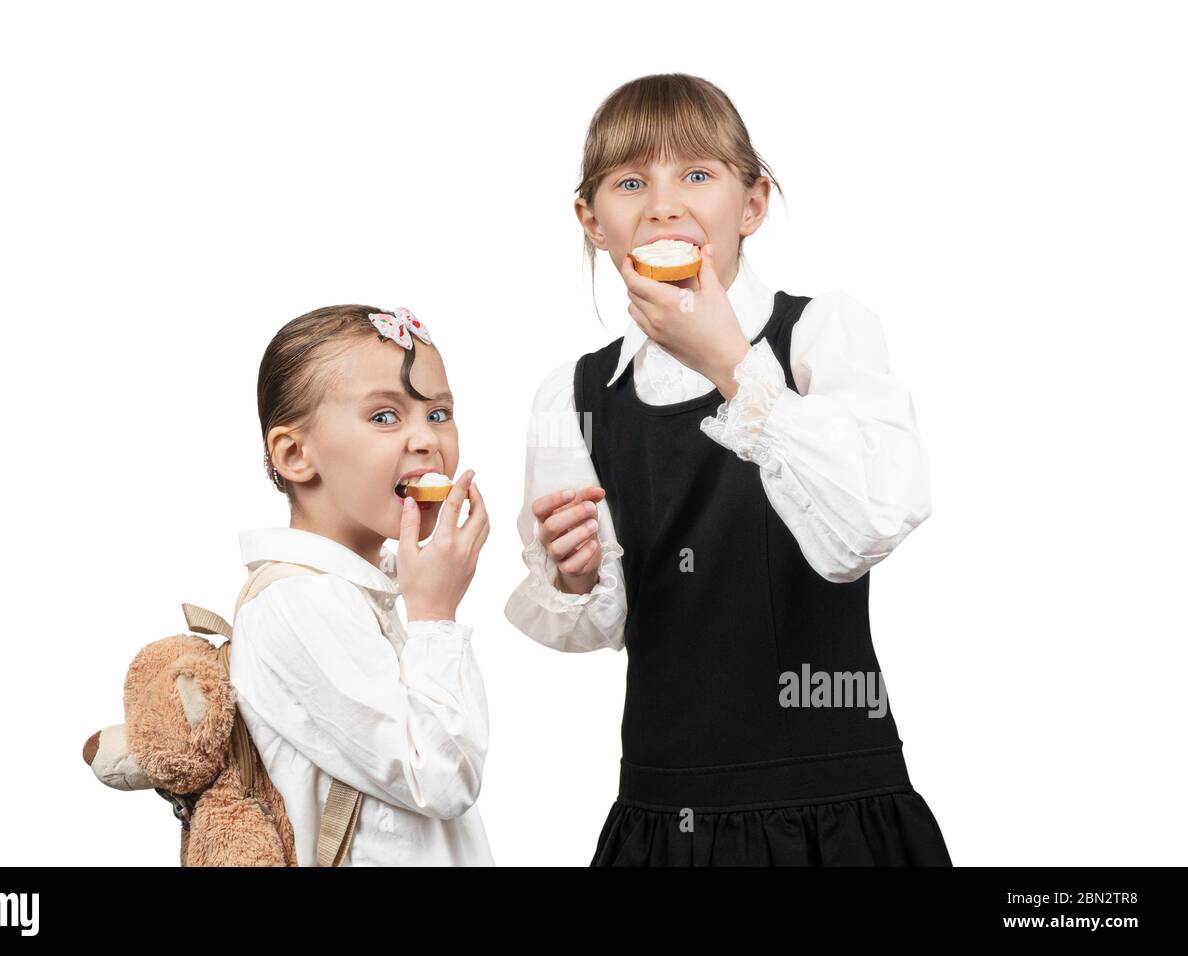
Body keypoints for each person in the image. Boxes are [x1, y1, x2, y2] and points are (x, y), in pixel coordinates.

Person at [505, 73, 952, 865]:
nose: (665, 204)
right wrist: (572, 579)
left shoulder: (820, 336)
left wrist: (733, 366)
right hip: (663, 817)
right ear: (592, 220)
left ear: (752, 205)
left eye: (698, 175)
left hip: (832, 812)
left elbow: (875, 519)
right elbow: (603, 620)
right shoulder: (574, 394)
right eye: (631, 181)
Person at [232, 304, 493, 865]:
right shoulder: (300, 601)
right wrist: (435, 616)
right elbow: (441, 778)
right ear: (296, 455)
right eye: (384, 417)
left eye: (440, 413)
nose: (427, 440)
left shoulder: (358, 593)